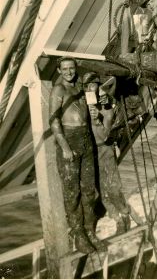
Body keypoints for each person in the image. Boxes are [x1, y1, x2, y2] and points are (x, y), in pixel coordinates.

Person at [49, 57, 107, 254]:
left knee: (89, 189)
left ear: (76, 69)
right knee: (72, 193)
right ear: (59, 70)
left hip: (85, 139)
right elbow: (54, 121)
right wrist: (64, 146)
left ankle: (90, 231)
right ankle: (78, 234)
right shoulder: (59, 90)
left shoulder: (82, 89)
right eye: (64, 69)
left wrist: (99, 106)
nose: (68, 72)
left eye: (71, 68)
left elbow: (93, 113)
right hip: (69, 139)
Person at [83, 72, 131, 235]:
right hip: (91, 152)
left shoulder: (105, 105)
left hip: (105, 149)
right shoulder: (84, 104)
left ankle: (124, 215)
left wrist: (101, 112)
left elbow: (108, 123)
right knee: (101, 190)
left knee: (113, 186)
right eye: (88, 87)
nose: (91, 89)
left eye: (94, 86)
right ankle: (116, 218)